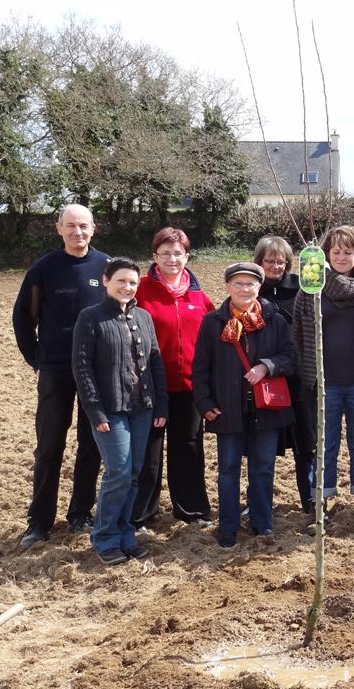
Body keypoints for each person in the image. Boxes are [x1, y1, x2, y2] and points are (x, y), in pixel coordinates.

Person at [13, 204, 108, 551]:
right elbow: (23, 318)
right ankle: (39, 521)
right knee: (49, 446)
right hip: (55, 370)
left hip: (96, 373)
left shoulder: (106, 267)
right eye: (70, 226)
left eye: (83, 226)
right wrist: (36, 359)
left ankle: (80, 513)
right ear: (59, 229)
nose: (77, 232)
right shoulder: (44, 270)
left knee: (91, 445)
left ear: (93, 229)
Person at [192, 262, 296, 549]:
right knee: (227, 469)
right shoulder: (213, 322)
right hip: (227, 409)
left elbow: (290, 356)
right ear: (227, 287)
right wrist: (204, 403)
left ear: (258, 287)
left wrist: (267, 366)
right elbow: (200, 367)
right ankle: (228, 526)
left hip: (266, 410)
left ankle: (262, 523)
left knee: (263, 468)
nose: (244, 289)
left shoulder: (275, 320)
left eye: (249, 283)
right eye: (237, 283)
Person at [71, 259, 168, 565]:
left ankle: (126, 533)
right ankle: (105, 538)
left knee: (135, 473)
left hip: (142, 408)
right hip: (110, 411)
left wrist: (161, 404)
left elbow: (155, 362)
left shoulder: (143, 316)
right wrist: (94, 411)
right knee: (119, 473)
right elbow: (82, 368)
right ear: (106, 281)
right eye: (121, 281)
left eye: (132, 283)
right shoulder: (91, 318)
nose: (127, 287)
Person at [293, 225, 354, 532]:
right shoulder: (311, 287)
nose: (342, 256)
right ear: (326, 254)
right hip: (325, 383)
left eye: (349, 251)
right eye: (336, 251)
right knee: (325, 446)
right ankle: (322, 505)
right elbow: (299, 332)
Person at [132, 227, 215, 529]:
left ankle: (190, 509)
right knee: (148, 452)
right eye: (165, 253)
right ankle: (141, 513)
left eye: (178, 253)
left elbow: (212, 339)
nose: (172, 258)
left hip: (189, 388)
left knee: (189, 448)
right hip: (149, 386)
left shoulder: (199, 295)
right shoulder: (139, 291)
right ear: (154, 257)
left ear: (187, 256)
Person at [253, 236, 316, 516]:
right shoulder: (252, 290)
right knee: (263, 446)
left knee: (306, 441)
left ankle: (310, 500)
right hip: (267, 378)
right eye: (270, 260)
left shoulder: (302, 289)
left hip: (299, 378)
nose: (276, 266)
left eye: (281, 261)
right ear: (259, 262)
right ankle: (259, 502)